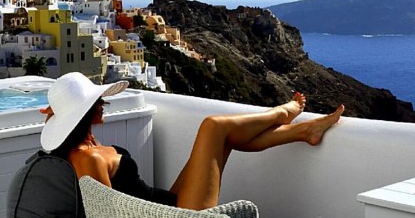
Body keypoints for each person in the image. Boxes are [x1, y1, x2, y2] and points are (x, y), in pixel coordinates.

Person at [39, 72, 345, 210]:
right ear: (87, 112)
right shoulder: (87, 159)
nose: (103, 103)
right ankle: (283, 112)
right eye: (98, 101)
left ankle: (305, 131)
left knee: (224, 139)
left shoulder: (89, 148)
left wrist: (58, 116)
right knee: (213, 127)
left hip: (169, 204)